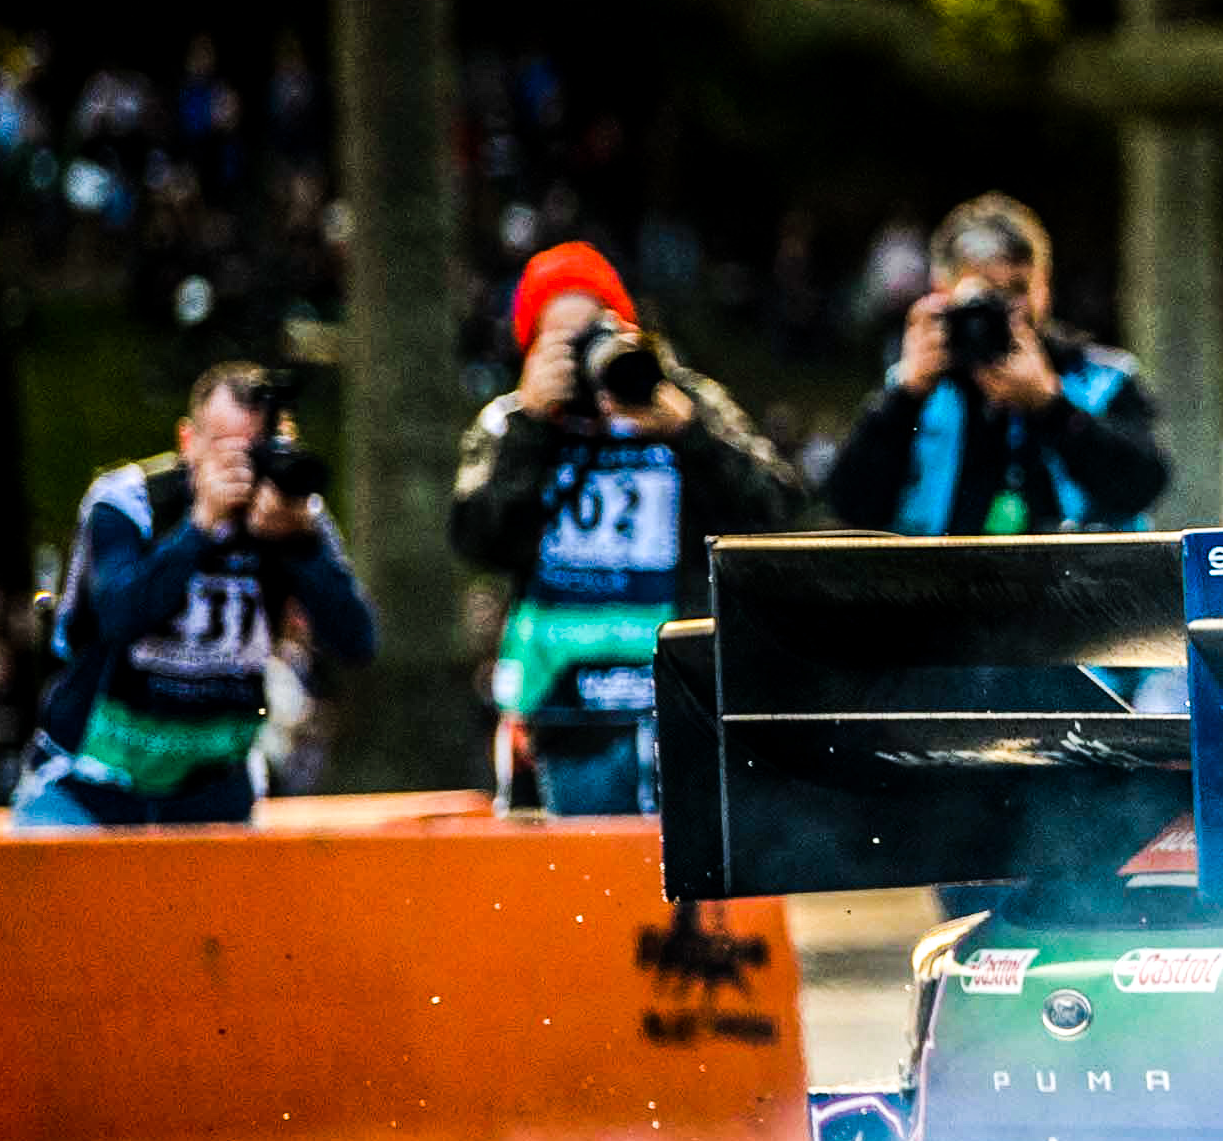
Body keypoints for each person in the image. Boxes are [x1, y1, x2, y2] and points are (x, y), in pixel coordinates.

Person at [450, 239, 810, 815]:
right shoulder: (512, 424)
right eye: (561, 340)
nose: (584, 353)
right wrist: (534, 428)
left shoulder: (680, 401)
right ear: (530, 349)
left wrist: (688, 432)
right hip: (563, 709)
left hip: (683, 700)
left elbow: (776, 509)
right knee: (578, 866)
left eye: (597, 330)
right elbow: (476, 538)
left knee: (689, 867)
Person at [17, 362, 378, 826]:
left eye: (256, 451)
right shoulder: (128, 502)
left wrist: (300, 547)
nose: (241, 469)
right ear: (188, 441)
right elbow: (120, 616)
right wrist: (200, 527)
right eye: (226, 449)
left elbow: (356, 642)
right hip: (87, 785)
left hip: (213, 793)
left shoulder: (291, 516)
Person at [822, 193, 1172, 535]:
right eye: (987, 293)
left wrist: (1051, 406)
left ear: (1044, 287)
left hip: (1073, 572)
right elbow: (851, 505)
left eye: (1018, 288)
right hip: (943, 573)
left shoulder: (1100, 378)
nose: (1005, 308)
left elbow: (1145, 485)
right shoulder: (919, 380)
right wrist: (904, 398)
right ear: (942, 291)